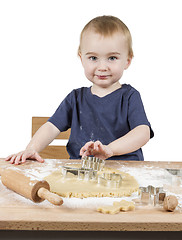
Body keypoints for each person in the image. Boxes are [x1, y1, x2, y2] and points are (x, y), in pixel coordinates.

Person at [5, 15, 154, 165]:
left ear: (127, 61)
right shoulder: (76, 98)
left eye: (112, 58)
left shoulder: (129, 97)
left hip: (125, 173)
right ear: (81, 58)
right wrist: (32, 148)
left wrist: (110, 149)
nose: (102, 67)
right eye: (93, 58)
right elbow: (51, 127)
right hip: (80, 173)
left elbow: (143, 132)